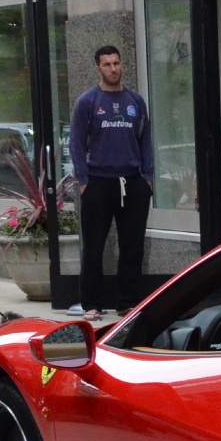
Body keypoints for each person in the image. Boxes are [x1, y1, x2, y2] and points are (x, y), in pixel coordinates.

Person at [66, 45, 153, 321]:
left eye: (116, 63)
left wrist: (148, 178)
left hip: (133, 182)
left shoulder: (135, 101)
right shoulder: (88, 101)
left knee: (133, 247)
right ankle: (91, 303)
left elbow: (146, 139)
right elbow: (77, 143)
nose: (113, 69)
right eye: (107, 64)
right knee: (94, 247)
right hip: (98, 183)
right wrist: (84, 181)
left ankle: (127, 303)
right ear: (98, 69)